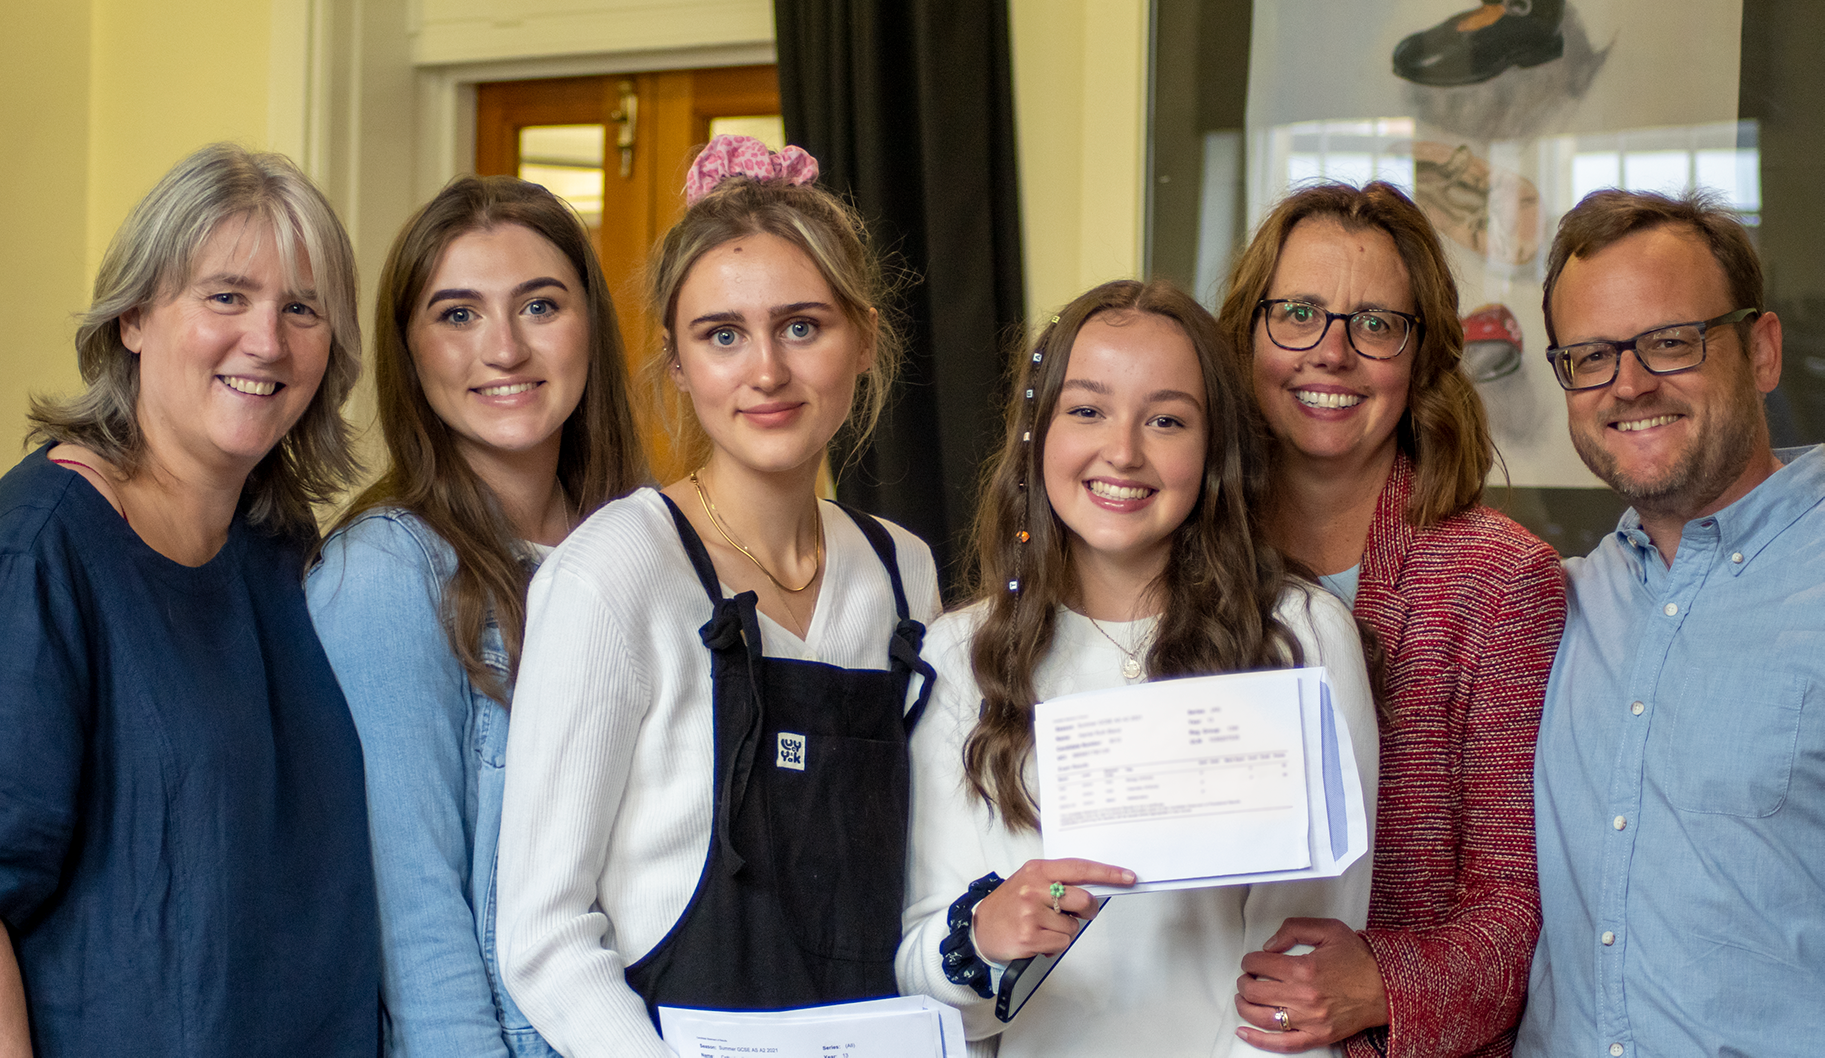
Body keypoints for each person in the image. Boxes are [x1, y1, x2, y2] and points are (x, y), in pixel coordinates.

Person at [494, 135, 942, 1058]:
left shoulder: (903, 572)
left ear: (861, 337)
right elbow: (543, 936)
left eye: (802, 326)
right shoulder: (612, 572)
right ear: (677, 361)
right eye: (723, 335)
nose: (766, 371)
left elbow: (923, 886)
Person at [896, 279, 1379, 1057]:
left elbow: (1304, 964)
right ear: (1035, 433)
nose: (1122, 450)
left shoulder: (1299, 638)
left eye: (1165, 420)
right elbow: (928, 987)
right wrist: (985, 940)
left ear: (1212, 448)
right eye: (1085, 410)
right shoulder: (958, 656)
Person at [0, 143, 377, 1057]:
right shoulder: (43, 547)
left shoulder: (286, 548)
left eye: (301, 308)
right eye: (226, 296)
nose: (268, 340)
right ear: (133, 315)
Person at [1214, 182, 1565, 1058]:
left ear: (1420, 359)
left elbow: (1516, 901)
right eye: (1297, 313)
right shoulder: (1173, 558)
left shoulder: (1499, 579)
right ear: (1245, 335)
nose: (1330, 354)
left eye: (1375, 325)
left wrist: (1380, 983)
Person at [305, 176, 646, 1057]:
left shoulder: (647, 548)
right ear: (409, 351)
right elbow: (415, 921)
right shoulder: (382, 574)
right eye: (456, 315)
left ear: (590, 331)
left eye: (539, 304)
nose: (503, 348)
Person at [1517, 189, 1823, 1057]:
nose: (1629, 383)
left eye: (1668, 342)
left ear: (1760, 351)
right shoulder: (1552, 607)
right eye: (1590, 355)